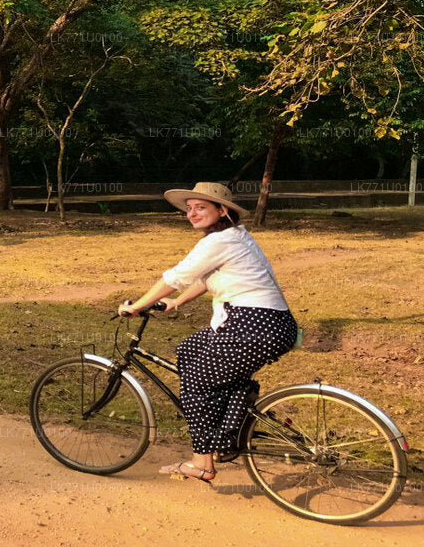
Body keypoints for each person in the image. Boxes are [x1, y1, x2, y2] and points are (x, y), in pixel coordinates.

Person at [117, 182, 298, 484]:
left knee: (197, 385)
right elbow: (205, 279)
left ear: (222, 210)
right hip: (267, 323)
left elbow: (174, 278)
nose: (192, 213)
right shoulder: (234, 237)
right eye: (189, 208)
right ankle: (230, 428)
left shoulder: (218, 241)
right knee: (189, 350)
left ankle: (203, 463)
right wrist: (176, 303)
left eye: (200, 207)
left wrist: (136, 307)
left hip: (252, 325)